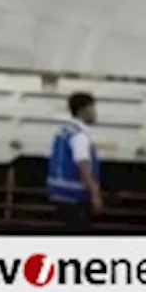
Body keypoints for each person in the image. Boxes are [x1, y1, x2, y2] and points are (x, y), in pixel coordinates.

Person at [46, 91, 103, 233]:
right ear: (83, 110)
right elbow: (82, 165)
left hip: (59, 191)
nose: (95, 113)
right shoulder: (79, 135)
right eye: (92, 108)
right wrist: (95, 193)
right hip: (73, 194)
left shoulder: (64, 129)